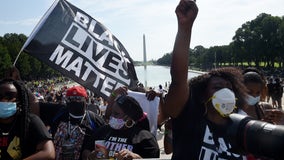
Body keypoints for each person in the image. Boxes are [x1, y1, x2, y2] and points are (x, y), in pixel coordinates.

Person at [162, 1, 256, 159]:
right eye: (217, 87)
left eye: (229, 87)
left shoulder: (241, 128)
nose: (226, 91)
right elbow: (178, 79)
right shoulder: (190, 118)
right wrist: (185, 28)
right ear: (202, 95)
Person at [82, 95, 160, 159]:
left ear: (129, 117)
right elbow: (86, 151)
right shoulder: (103, 130)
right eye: (112, 113)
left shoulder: (145, 137)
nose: (111, 116)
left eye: (116, 114)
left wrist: (136, 158)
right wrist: (90, 156)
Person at [40, 85, 106, 160]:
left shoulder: (95, 120)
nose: (74, 101)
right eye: (70, 99)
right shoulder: (58, 112)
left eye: (78, 98)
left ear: (86, 99)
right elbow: (33, 104)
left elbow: (102, 147)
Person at [0, 78, 55, 159]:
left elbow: (48, 153)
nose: (3, 100)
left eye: (9, 96)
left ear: (19, 100)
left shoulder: (31, 121)